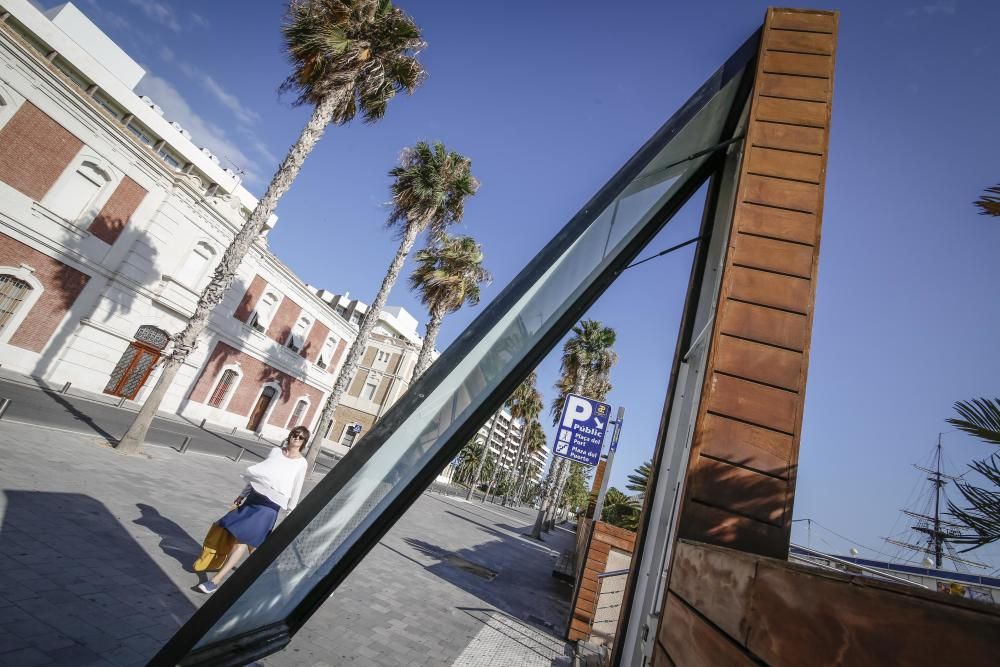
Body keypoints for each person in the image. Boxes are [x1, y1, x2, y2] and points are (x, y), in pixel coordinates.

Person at [196, 425, 310, 594]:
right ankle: (270, 574)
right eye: (294, 434)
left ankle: (215, 581)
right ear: (290, 435)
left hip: (270, 506)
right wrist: (242, 495)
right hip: (254, 499)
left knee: (241, 539)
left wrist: (291, 512)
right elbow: (259, 475)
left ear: (304, 442)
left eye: (300, 437)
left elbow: (296, 488)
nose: (296, 438)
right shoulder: (275, 452)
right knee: (254, 545)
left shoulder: (301, 463)